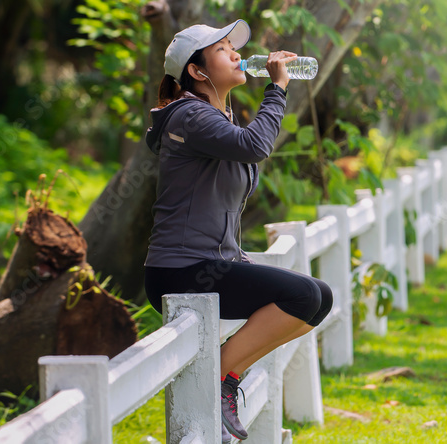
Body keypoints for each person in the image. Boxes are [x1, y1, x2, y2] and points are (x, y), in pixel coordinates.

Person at [142, 19, 333, 442]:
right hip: (181, 268)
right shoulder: (190, 114)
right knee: (302, 296)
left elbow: (239, 166)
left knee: (319, 299)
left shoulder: (216, 117)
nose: (235, 54)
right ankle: (220, 379)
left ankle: (223, 377)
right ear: (197, 70)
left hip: (209, 263)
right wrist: (278, 89)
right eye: (223, 48)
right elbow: (255, 146)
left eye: (234, 47)